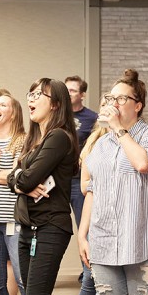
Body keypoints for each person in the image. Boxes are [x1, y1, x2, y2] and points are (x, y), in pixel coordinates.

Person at [78, 69, 148, 295]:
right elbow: (91, 191)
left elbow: (142, 164)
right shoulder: (100, 144)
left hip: (143, 237)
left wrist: (120, 130)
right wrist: (82, 235)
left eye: (121, 99)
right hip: (103, 240)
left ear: (138, 105)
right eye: (111, 98)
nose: (114, 104)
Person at [7, 78, 79, 295]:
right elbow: (17, 178)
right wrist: (19, 180)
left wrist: (19, 180)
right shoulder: (34, 139)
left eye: (39, 95)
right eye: (31, 93)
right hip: (29, 227)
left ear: (56, 104)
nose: (31, 98)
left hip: (50, 228)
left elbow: (24, 180)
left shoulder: (59, 137)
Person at [75, 98, 107, 295]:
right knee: (90, 278)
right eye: (104, 103)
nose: (107, 108)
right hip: (98, 218)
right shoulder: (93, 142)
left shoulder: (133, 141)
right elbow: (85, 186)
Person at [0, 92, 26, 295]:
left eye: (3, 104)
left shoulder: (22, 140)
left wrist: (8, 177)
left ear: (13, 111)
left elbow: (20, 177)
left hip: (12, 218)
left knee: (21, 275)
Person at [64, 76, 97, 229]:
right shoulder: (55, 115)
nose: (68, 93)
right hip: (57, 179)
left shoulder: (92, 118)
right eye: (66, 90)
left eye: (73, 90)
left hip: (78, 179)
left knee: (85, 226)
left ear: (82, 95)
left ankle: (87, 253)